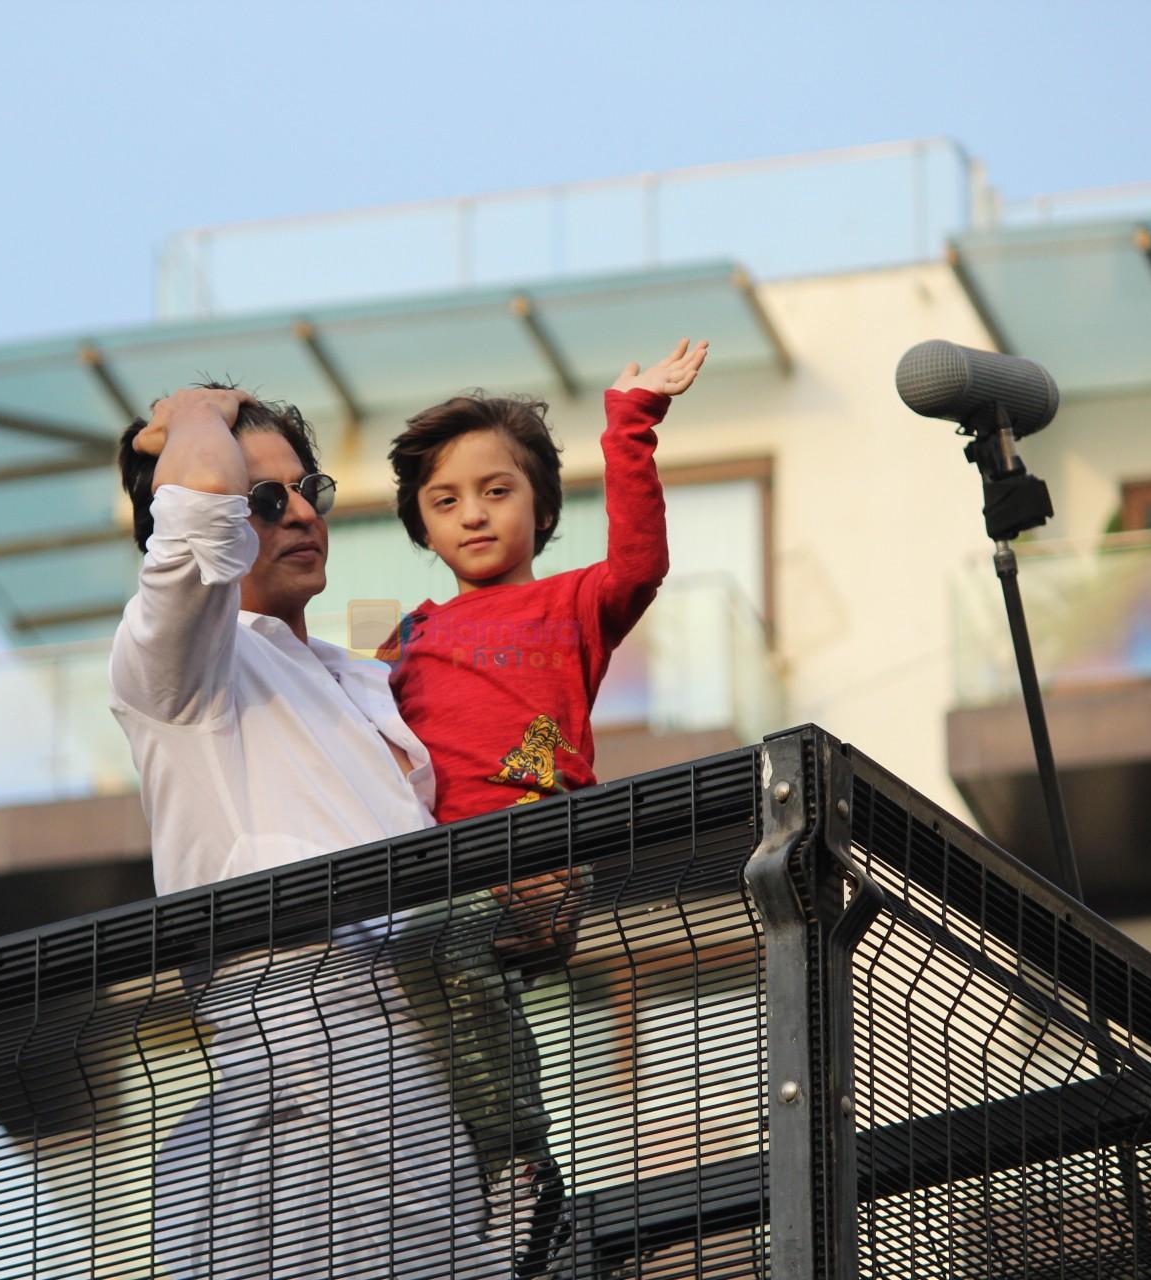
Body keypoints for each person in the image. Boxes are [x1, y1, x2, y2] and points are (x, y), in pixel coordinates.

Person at [108, 385, 546, 1280]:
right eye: (265, 499)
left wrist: (528, 901)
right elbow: (193, 517)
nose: (303, 511)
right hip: (304, 1056)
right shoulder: (185, 668)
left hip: (436, 1068)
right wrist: (193, 415)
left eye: (310, 488)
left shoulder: (371, 679)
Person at [377, 340, 709, 1261]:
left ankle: (523, 1169)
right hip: (434, 868)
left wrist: (630, 418)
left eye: (497, 491)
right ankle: (471, 1188)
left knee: (440, 949)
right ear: (421, 526)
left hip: (531, 852)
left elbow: (642, 559)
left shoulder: (572, 604)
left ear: (543, 505)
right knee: (412, 991)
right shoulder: (405, 634)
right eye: (444, 502)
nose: (472, 515)